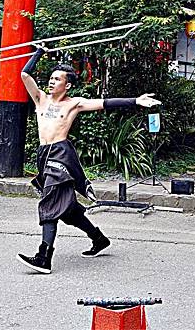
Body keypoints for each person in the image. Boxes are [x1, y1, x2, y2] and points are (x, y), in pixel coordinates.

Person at [16, 45, 161, 274]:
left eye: (57, 79)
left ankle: (44, 257)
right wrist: (38, 52)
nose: (52, 82)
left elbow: (104, 103)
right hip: (44, 156)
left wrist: (135, 101)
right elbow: (25, 75)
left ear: (68, 85)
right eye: (51, 78)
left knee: (50, 204)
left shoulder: (74, 104)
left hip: (60, 156)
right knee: (68, 210)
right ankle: (98, 238)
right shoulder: (40, 100)